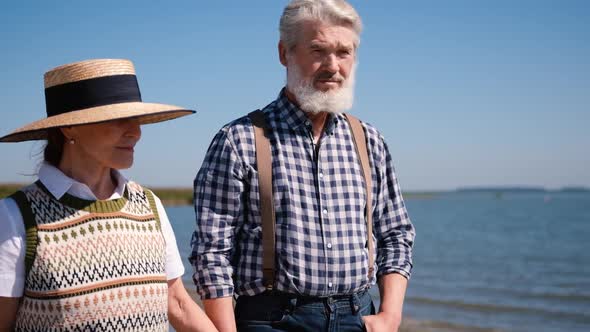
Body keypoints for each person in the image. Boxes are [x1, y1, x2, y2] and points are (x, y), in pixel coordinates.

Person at [190, 1, 415, 331]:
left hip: (358, 316)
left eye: (344, 52)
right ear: (284, 53)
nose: (333, 66)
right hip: (272, 320)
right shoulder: (239, 140)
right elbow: (212, 253)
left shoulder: (369, 140)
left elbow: (395, 234)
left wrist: (390, 316)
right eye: (318, 50)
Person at [0, 59, 217, 331]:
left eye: (136, 119)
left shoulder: (149, 206)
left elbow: (178, 303)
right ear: (69, 127)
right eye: (118, 120)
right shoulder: (16, 217)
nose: (136, 132)